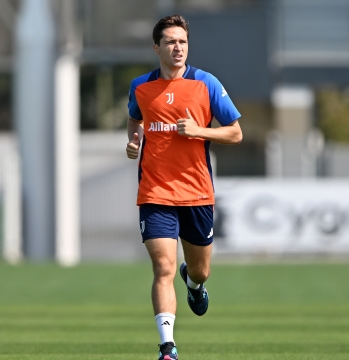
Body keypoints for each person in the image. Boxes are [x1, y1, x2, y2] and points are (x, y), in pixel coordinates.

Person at [125, 14, 242, 360]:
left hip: (196, 193)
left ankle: (194, 283)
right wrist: (133, 141)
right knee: (162, 268)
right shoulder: (140, 86)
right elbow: (135, 118)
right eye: (171, 42)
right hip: (155, 192)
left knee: (200, 269)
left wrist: (199, 131)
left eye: (183, 42)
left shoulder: (206, 84)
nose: (178, 48)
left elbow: (235, 132)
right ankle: (167, 347)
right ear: (156, 47)